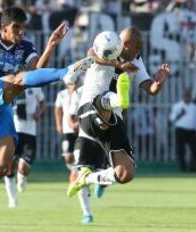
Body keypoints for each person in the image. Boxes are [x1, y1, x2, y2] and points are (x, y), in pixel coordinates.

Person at [0, 6, 93, 230]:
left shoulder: (26, 47)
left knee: (1, 167)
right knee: (16, 79)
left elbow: (34, 73)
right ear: (4, 27)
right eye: (16, 27)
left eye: (23, 28)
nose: (21, 32)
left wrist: (51, 44)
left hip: (3, 107)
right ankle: (67, 71)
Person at [66, 27, 170, 205]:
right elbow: (91, 54)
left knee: (125, 174)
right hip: (91, 108)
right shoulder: (108, 46)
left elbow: (150, 89)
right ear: (126, 44)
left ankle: (88, 179)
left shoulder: (136, 60)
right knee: (105, 100)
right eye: (137, 47)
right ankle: (116, 100)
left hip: (114, 120)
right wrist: (119, 65)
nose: (139, 51)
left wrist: (159, 81)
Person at [68, 85, 110, 224]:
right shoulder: (79, 92)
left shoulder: (109, 91)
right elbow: (71, 115)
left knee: (112, 174)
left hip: (102, 141)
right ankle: (87, 214)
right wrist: (73, 124)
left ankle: (100, 182)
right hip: (84, 138)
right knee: (81, 173)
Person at [4, 87, 45, 208]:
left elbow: (43, 102)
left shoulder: (35, 87)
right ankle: (12, 200)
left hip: (29, 133)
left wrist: (39, 112)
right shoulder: (10, 85)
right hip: (12, 132)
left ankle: (22, 176)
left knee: (24, 167)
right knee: (9, 167)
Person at [169, 89, 196, 172]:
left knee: (194, 150)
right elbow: (172, 118)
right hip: (181, 129)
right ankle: (183, 167)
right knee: (181, 150)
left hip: (192, 130)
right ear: (182, 97)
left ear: (190, 97)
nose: (186, 97)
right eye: (185, 95)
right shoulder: (177, 106)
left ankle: (194, 167)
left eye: (188, 95)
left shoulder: (194, 106)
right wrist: (179, 114)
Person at [54, 84, 78, 182]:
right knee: (68, 157)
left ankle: (76, 174)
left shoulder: (81, 92)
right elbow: (58, 110)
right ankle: (75, 170)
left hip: (80, 128)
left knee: (80, 153)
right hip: (67, 129)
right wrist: (59, 124)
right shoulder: (62, 94)